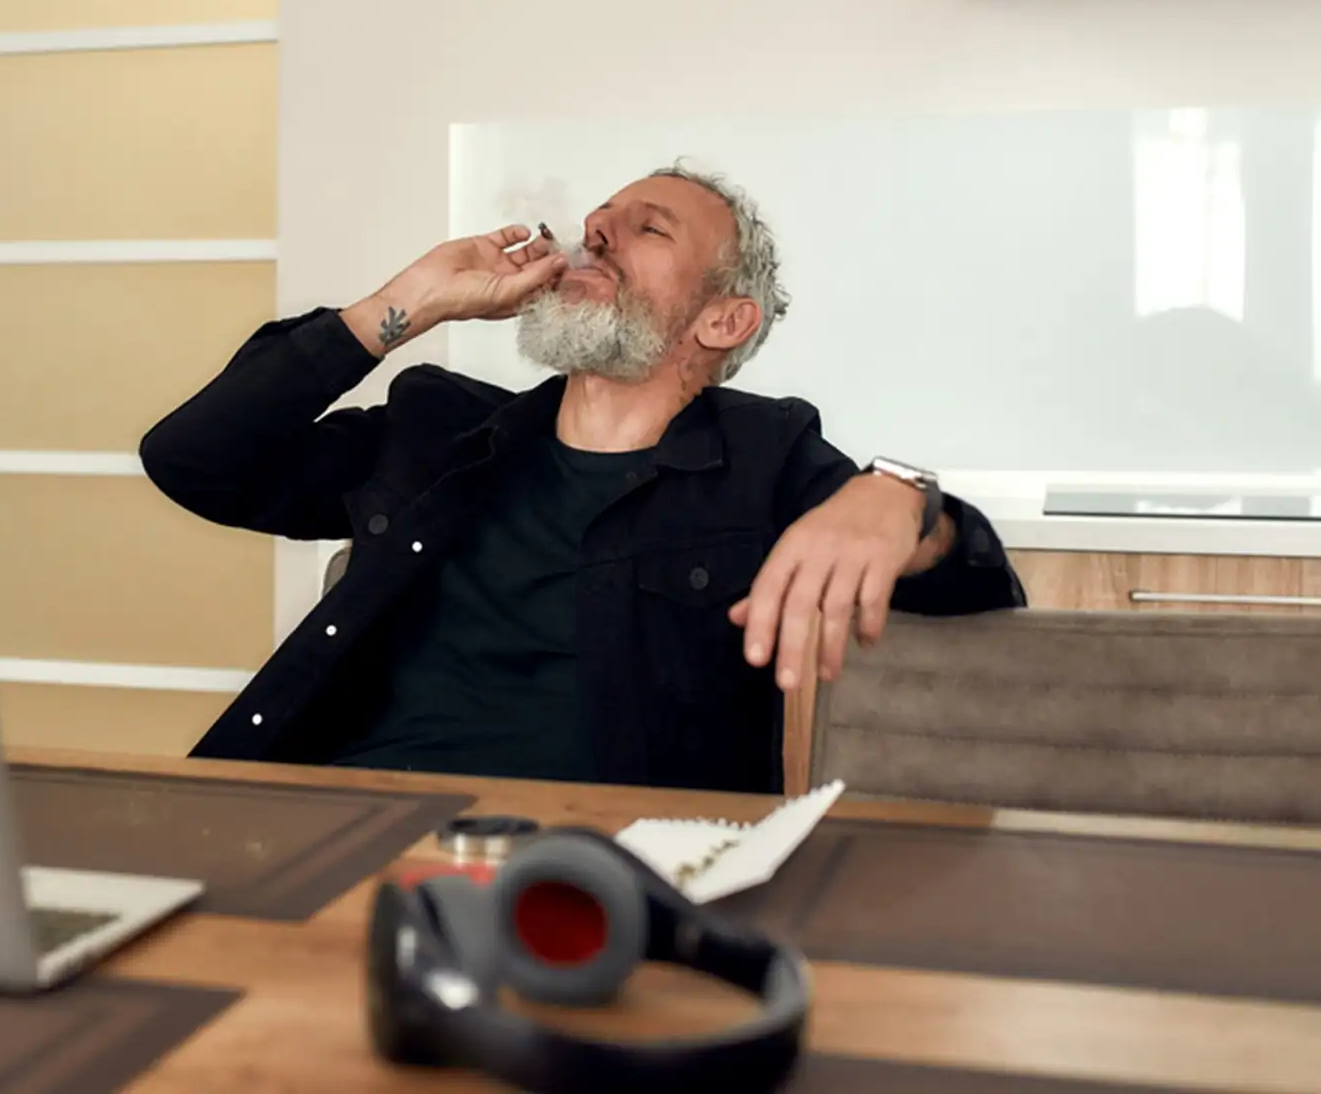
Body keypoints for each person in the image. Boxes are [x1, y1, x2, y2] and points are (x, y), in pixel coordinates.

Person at [141, 164, 1024, 793]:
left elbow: (982, 600)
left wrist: (906, 501)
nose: (595, 232)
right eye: (599, 218)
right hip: (338, 827)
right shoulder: (436, 431)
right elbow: (195, 461)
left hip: (600, 878)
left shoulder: (768, 458)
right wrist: (402, 304)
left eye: (649, 227)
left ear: (723, 318)